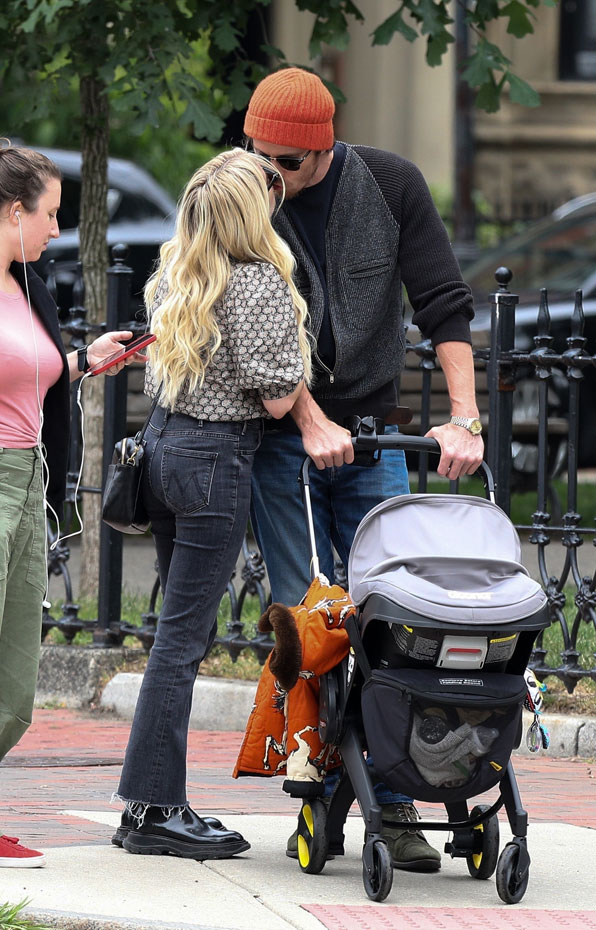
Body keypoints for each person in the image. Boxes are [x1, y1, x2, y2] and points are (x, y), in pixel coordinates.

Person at [244, 67, 485, 872]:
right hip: (283, 440)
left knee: (390, 620)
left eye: (287, 161)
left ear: (322, 150)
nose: (270, 173)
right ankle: (316, 797)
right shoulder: (240, 192)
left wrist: (465, 418)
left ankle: (395, 801)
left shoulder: (388, 184)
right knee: (308, 623)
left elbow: (444, 302)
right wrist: (310, 421)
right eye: (258, 153)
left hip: (375, 436)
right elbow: (237, 320)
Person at [111, 148, 311, 860]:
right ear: (250, 216)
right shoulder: (256, 282)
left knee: (173, 634)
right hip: (214, 460)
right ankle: (157, 809)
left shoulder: (179, 270)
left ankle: (145, 806)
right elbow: (280, 396)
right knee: (182, 641)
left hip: (162, 451)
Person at [0, 124, 143, 868]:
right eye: (49, 213)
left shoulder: (31, 290)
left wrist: (81, 361)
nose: (56, 228)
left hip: (26, 486)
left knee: (11, 683)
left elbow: (23, 377)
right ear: (14, 211)